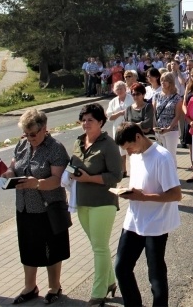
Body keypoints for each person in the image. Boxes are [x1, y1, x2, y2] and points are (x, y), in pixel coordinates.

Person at [5, 109, 70, 305]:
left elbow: (58, 180)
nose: (29, 137)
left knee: (51, 249)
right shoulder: (22, 144)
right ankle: (30, 286)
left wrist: (38, 183)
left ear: (44, 129)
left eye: (33, 133)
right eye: (26, 133)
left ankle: (54, 286)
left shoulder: (55, 148)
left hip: (47, 207)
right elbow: (14, 165)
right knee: (27, 247)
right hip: (24, 206)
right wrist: (8, 173)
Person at [114, 123, 182, 307]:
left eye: (129, 147)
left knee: (155, 272)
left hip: (156, 222)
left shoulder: (162, 157)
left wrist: (143, 197)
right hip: (134, 219)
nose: (128, 153)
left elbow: (176, 195)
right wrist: (127, 192)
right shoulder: (136, 155)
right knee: (121, 267)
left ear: (138, 137)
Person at [70, 103, 123, 305]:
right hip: (82, 201)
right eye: (83, 120)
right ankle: (110, 281)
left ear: (101, 122)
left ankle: (98, 292)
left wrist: (89, 179)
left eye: (90, 120)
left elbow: (116, 176)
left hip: (103, 202)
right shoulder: (78, 142)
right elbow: (73, 166)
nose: (85, 123)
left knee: (100, 247)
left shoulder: (108, 144)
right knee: (97, 246)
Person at [152, 73, 184, 158]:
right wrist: (154, 126)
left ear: (171, 82)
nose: (163, 82)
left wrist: (169, 128)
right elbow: (153, 112)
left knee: (170, 155)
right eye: (162, 80)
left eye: (165, 80)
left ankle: (172, 171)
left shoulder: (177, 97)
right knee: (160, 156)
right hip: (159, 130)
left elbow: (177, 115)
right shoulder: (156, 95)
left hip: (171, 130)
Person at [106, 81, 133, 178]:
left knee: (132, 147)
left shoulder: (131, 98)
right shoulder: (113, 102)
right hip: (118, 128)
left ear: (125, 89)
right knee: (121, 149)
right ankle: (123, 170)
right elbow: (109, 116)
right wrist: (119, 113)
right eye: (117, 89)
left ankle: (134, 169)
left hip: (130, 127)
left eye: (121, 88)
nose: (119, 90)